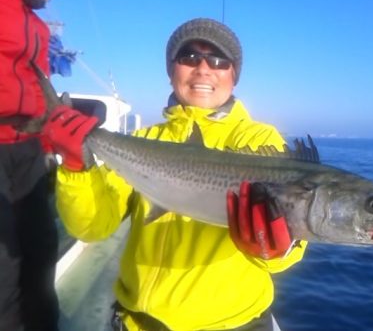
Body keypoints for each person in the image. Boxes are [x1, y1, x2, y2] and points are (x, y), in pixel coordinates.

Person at [43, 18, 308, 330]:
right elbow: (93, 228)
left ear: (233, 76)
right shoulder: (143, 140)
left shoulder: (258, 141)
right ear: (171, 71)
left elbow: (284, 252)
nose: (204, 69)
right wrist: (77, 167)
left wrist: (278, 249)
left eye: (220, 60)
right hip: (136, 322)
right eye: (189, 57)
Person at [0, 0, 59, 330]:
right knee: (3, 258)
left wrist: (49, 145)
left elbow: (42, 89)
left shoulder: (39, 27)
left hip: (30, 147)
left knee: (42, 246)